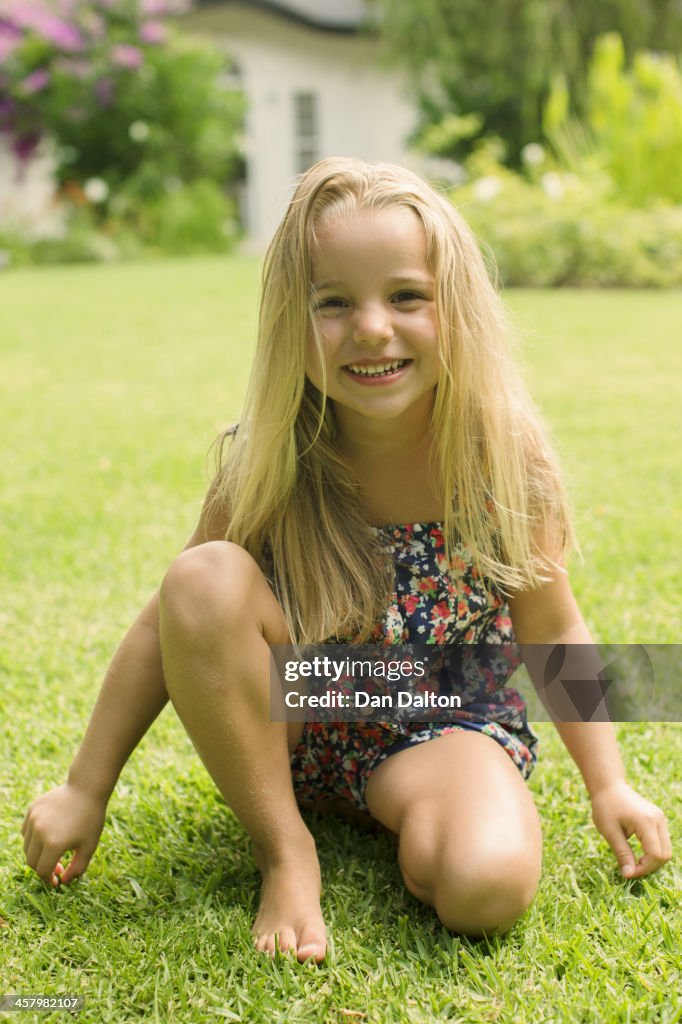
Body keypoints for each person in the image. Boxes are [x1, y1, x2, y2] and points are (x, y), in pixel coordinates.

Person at [22, 158, 671, 964]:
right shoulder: (269, 459)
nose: (371, 328)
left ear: (456, 307)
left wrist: (608, 783)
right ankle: (287, 852)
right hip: (293, 726)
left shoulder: (501, 456)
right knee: (205, 576)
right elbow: (172, 622)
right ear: (290, 324)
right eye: (334, 304)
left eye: (406, 296)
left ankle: (422, 818)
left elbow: (553, 625)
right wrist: (86, 786)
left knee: (486, 887)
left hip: (444, 722)